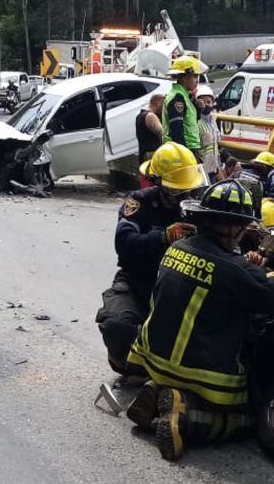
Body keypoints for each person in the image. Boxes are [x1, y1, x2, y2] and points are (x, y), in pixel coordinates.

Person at [124, 180, 274, 461]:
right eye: (241, 226)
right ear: (233, 227)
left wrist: (246, 269)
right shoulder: (232, 267)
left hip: (151, 360)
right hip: (203, 377)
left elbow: (221, 276)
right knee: (251, 418)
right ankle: (185, 418)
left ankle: (157, 391)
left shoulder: (176, 247)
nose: (242, 233)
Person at [96, 142, 205, 374]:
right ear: (159, 185)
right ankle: (125, 364)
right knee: (117, 326)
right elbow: (124, 245)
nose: (185, 197)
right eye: (178, 192)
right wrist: (163, 237)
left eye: (189, 191)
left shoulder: (199, 207)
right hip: (138, 282)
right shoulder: (139, 203)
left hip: (179, 288)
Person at [162, 56, 204, 158]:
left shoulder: (185, 96)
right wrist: (185, 155)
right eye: (194, 76)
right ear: (184, 77)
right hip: (183, 151)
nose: (197, 80)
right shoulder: (178, 98)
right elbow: (177, 130)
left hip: (187, 149)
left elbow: (190, 122)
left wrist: (197, 108)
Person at [195, 85, 221, 181]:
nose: (206, 104)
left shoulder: (213, 120)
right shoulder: (196, 122)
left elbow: (216, 145)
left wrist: (218, 165)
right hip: (201, 169)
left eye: (209, 102)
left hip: (213, 167)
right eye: (203, 102)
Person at [136, 93, 164, 165]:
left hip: (144, 157)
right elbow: (163, 134)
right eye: (164, 105)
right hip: (152, 157)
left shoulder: (140, 115)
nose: (165, 109)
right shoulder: (151, 116)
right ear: (158, 103)